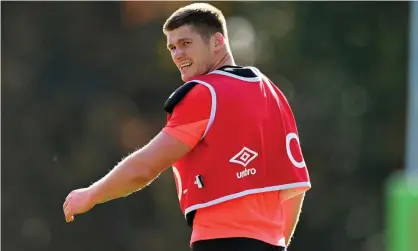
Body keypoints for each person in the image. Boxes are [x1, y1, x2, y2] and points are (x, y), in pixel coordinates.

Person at [63, 3, 311, 251]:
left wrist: (91, 195)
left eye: (186, 43)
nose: (177, 54)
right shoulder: (273, 95)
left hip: (220, 242)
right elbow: (294, 187)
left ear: (217, 42)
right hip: (273, 244)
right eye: (172, 47)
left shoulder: (205, 93)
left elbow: (145, 168)